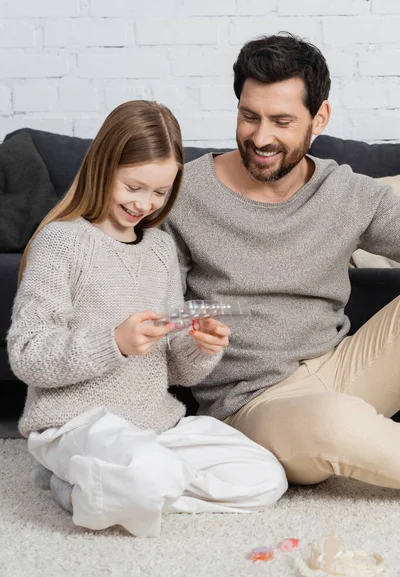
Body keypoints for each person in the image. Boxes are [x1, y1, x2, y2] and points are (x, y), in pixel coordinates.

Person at [7, 100, 288, 538]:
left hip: (156, 426)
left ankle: (117, 486)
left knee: (266, 477)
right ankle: (76, 483)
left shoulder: (159, 250)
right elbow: (26, 354)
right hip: (76, 423)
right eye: (134, 187)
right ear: (104, 168)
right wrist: (114, 343)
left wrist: (199, 346)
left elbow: (174, 369)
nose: (145, 204)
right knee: (150, 474)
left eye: (160, 193)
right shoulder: (61, 243)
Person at [162, 33, 400, 490]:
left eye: (281, 121)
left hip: (343, 369)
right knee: (334, 421)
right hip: (253, 405)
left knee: (339, 413)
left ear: (320, 117)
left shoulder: (344, 191)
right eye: (249, 116)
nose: (261, 137)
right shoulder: (183, 193)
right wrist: (195, 324)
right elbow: (155, 308)